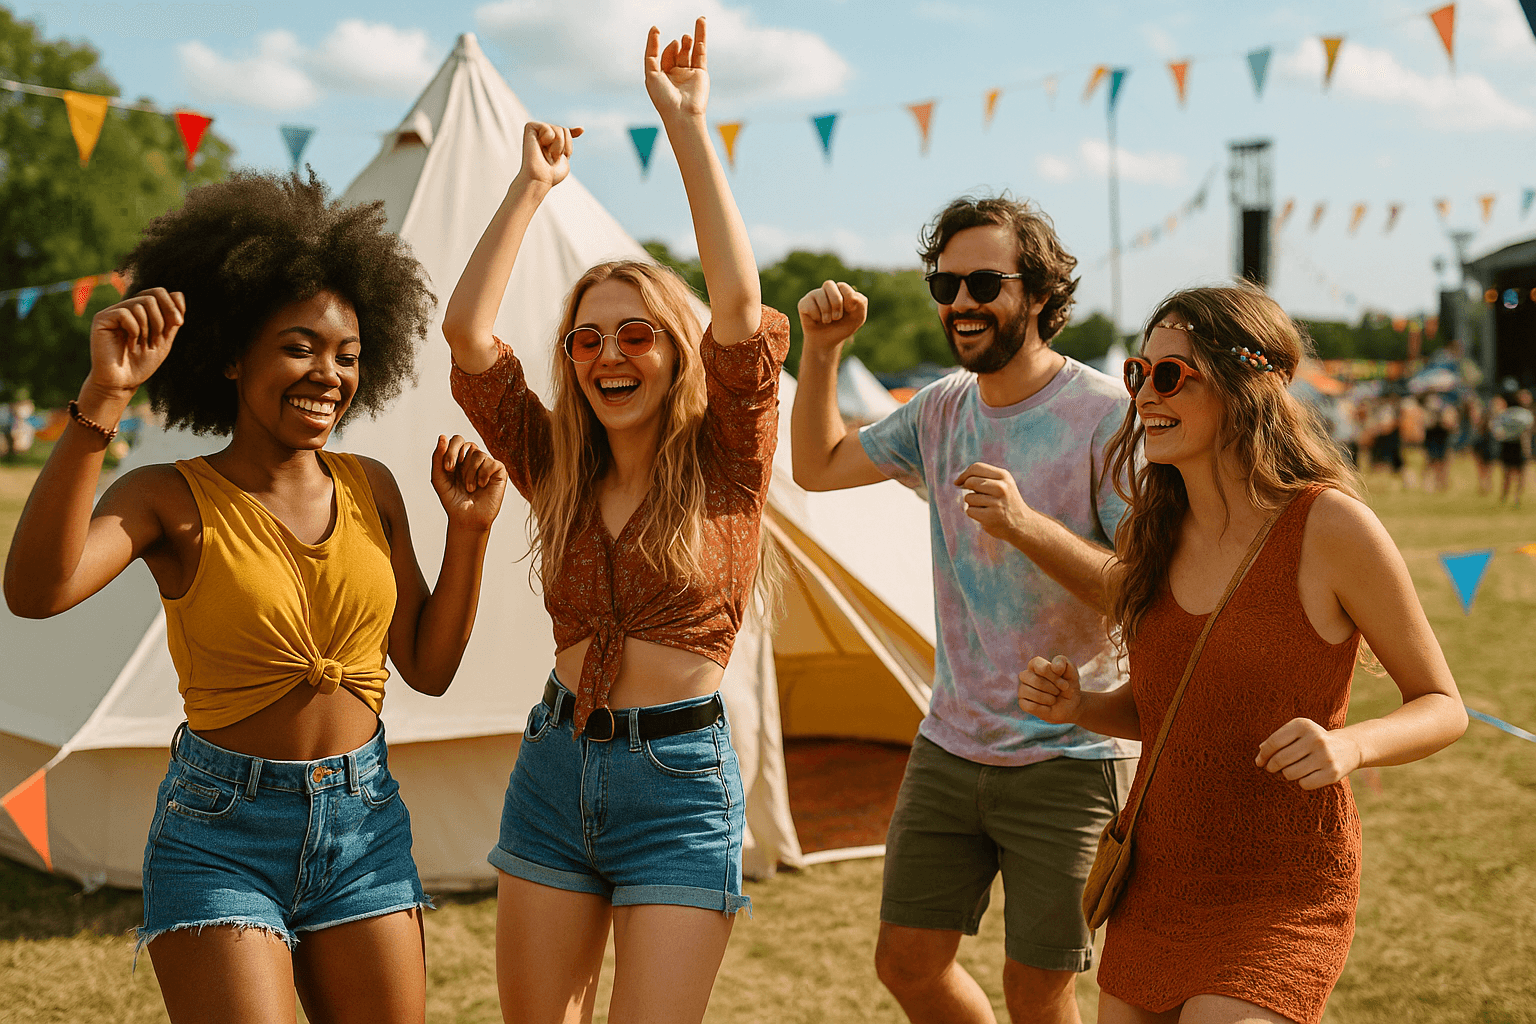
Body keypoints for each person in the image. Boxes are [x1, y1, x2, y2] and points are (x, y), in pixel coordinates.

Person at [2, 171, 510, 1024]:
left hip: (365, 821)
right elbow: (36, 591)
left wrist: (470, 534)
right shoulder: (168, 495)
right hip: (219, 832)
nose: (329, 374)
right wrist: (104, 400)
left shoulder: (375, 487)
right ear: (235, 353)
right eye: (301, 346)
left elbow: (427, 667)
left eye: (348, 355)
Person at [442, 19, 788, 1024]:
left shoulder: (730, 455)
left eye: (636, 334)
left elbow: (738, 304)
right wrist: (530, 188)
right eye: (587, 339)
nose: (608, 355)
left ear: (675, 352)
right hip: (554, 768)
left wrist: (685, 126)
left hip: (679, 786)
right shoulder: (553, 460)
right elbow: (469, 336)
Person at [1018, 285, 1467, 1024]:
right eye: (1140, 372)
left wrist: (1349, 745)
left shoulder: (1329, 525)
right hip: (1158, 880)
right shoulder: (1153, 532)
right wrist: (1081, 707)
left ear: (1245, 386)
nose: (1144, 395)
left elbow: (1443, 706)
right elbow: (1177, 714)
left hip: (1281, 889)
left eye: (1172, 375)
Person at [791, 194, 1136, 1024]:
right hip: (950, 742)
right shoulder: (942, 407)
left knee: (1039, 990)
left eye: (985, 282)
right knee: (906, 964)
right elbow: (817, 466)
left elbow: (1141, 589)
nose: (961, 303)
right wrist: (823, 352)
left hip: (1072, 751)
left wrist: (1027, 527)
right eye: (945, 286)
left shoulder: (1105, 417)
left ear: (1045, 296)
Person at [1494, 389, 1533, 507]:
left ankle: (1514, 498)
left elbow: (1497, 430)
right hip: (1514, 446)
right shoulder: (1522, 414)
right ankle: (1508, 497)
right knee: (1510, 473)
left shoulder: (1509, 413)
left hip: (1516, 446)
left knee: (1516, 473)